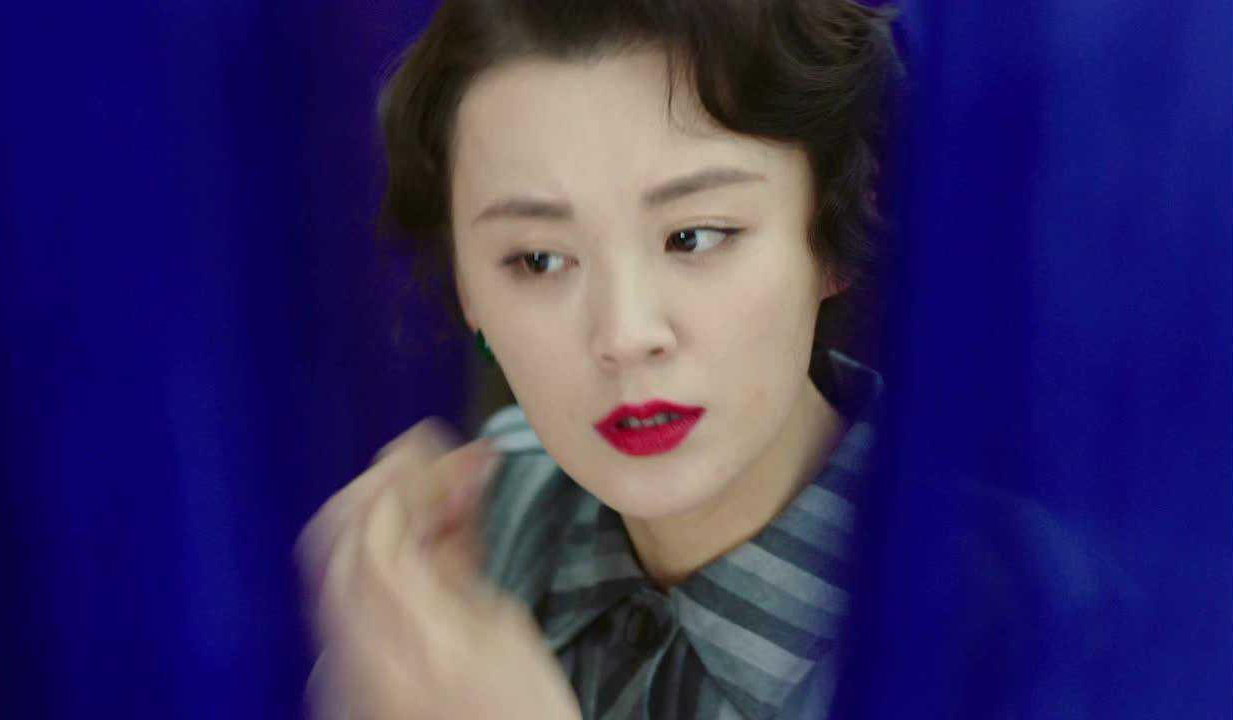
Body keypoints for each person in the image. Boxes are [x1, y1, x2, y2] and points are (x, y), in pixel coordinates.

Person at [296, 1, 901, 718]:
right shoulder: (459, 552)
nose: (624, 334)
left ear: (832, 233)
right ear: (467, 287)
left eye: (693, 237)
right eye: (539, 259)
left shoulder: (994, 638)